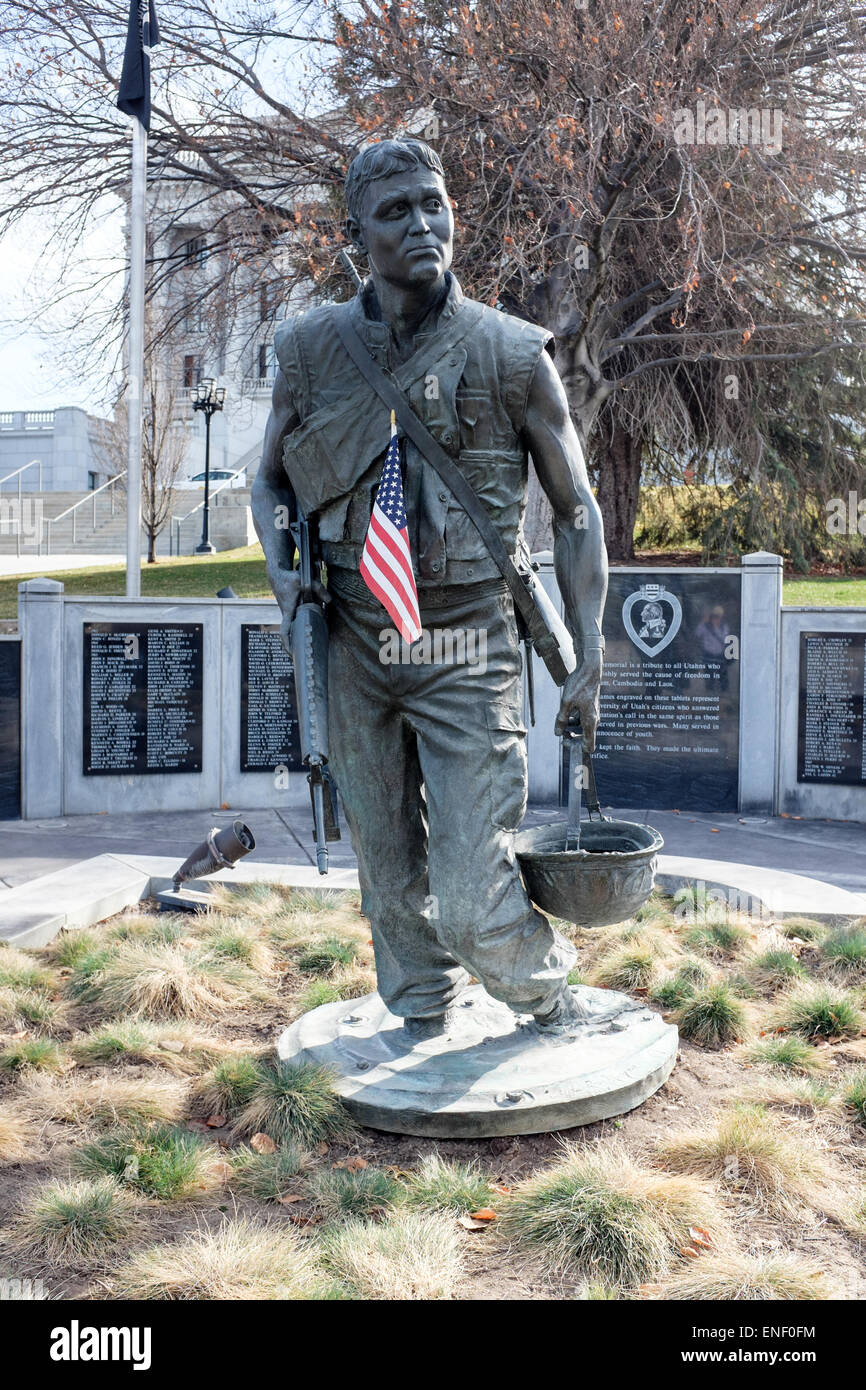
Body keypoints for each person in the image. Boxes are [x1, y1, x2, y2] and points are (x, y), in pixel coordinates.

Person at [252, 138, 608, 1036]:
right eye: (395, 210)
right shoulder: (305, 351)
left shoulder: (512, 352)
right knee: (384, 864)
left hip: (464, 641)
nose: (422, 225)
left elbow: (575, 514)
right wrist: (287, 583)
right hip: (353, 639)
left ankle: (545, 997)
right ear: (354, 234)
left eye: (433, 203)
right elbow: (268, 481)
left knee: (469, 889)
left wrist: (589, 653)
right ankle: (418, 1012)